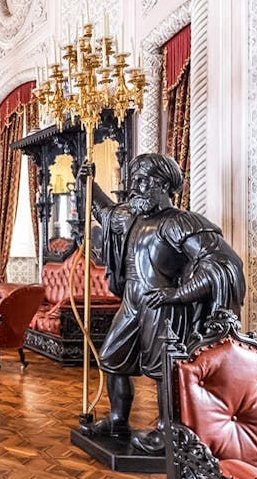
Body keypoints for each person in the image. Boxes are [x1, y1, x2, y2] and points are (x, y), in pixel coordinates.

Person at [79, 153, 245, 454]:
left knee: (164, 371)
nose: (135, 188)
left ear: (163, 185)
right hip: (132, 302)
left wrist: (179, 294)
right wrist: (88, 184)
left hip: (162, 306)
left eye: (142, 181)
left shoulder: (180, 223)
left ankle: (168, 432)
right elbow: (104, 212)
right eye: (134, 180)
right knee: (112, 358)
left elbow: (221, 262)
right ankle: (118, 420)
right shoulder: (131, 217)